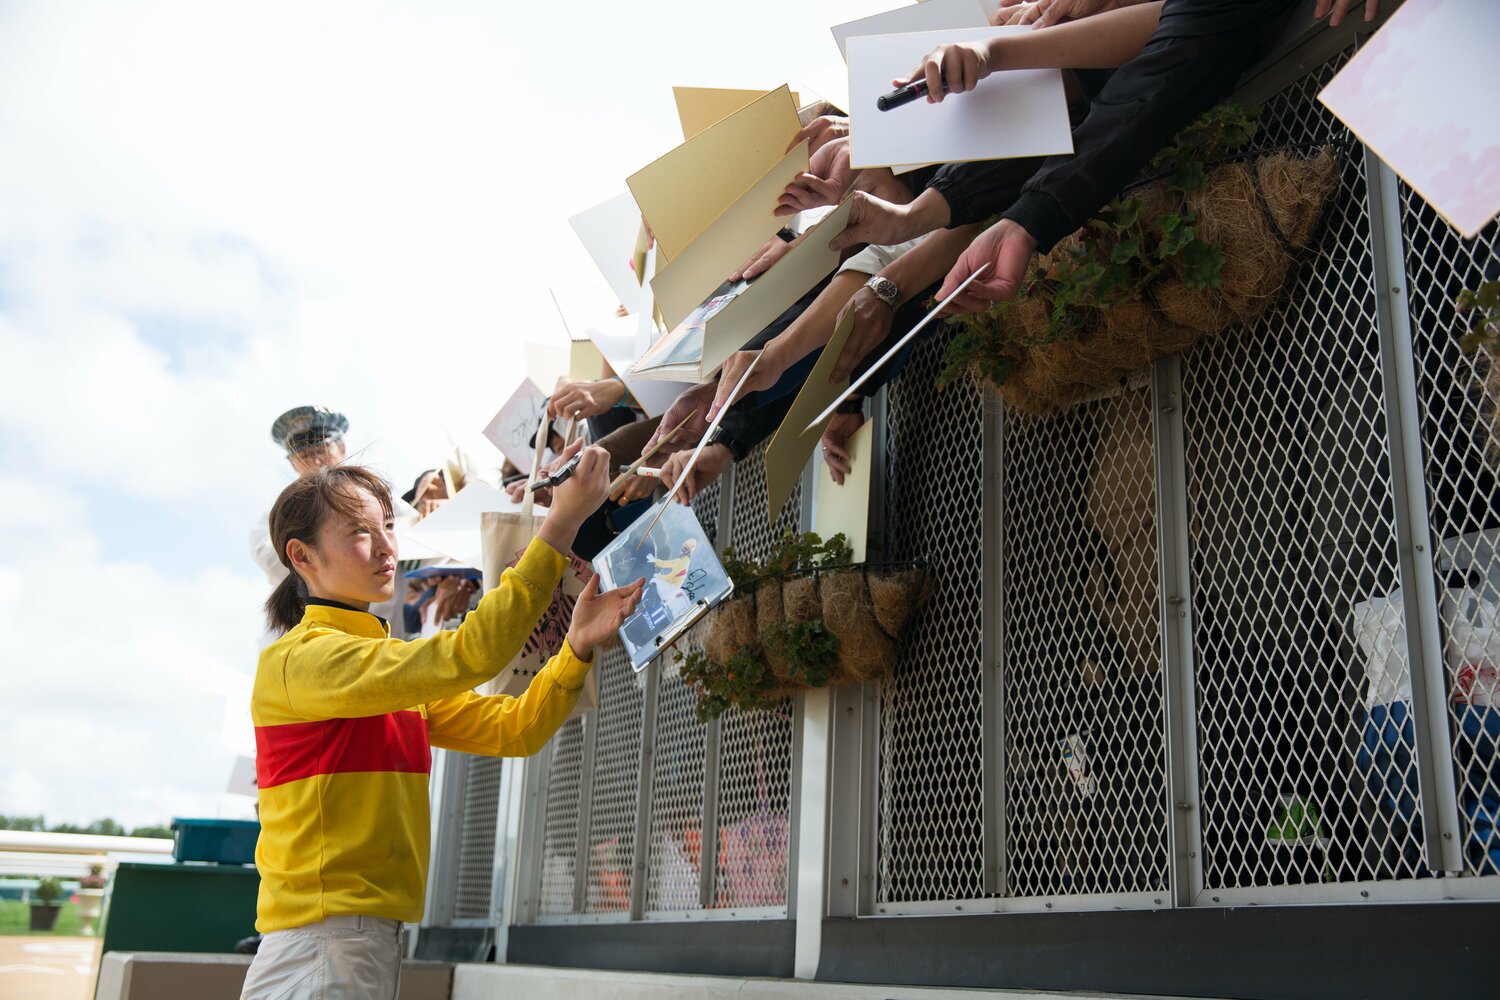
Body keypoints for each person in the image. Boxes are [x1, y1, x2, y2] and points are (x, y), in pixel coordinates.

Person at [240, 442, 644, 1000]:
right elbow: (470, 656)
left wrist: (574, 647)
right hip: (325, 944)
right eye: (360, 533)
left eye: (386, 524)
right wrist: (559, 526)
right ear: (302, 558)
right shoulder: (303, 660)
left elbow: (516, 729)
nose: (386, 546)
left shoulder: (375, 666)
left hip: (346, 943)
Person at [250, 406, 350, 585]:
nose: (316, 461)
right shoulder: (281, 513)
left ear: (342, 448)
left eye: (322, 450)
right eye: (305, 455)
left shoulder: (374, 495)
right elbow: (271, 561)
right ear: (292, 463)